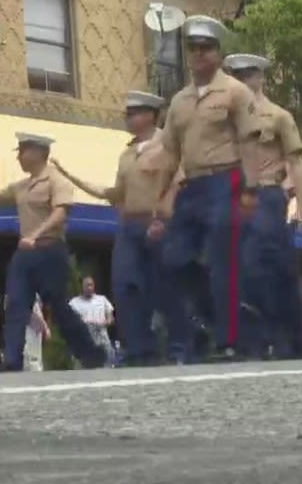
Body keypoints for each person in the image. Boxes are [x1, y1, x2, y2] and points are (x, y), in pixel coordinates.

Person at [147, 15, 262, 361]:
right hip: (192, 186)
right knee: (173, 260)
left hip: (225, 180)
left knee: (221, 262)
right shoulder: (179, 101)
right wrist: (158, 203)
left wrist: (250, 190)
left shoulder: (235, 92)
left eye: (205, 48)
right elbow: (169, 154)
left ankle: (229, 342)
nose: (198, 54)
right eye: (193, 48)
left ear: (218, 53)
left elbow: (249, 142)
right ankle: (227, 318)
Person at [52, 90, 188, 366]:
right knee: (125, 286)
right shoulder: (126, 154)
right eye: (127, 113)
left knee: (164, 287)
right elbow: (114, 193)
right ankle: (140, 350)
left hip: (159, 223)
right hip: (129, 226)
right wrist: (70, 176)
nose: (128, 118)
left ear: (151, 115)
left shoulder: (169, 144)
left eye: (133, 113)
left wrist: (163, 216)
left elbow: (179, 182)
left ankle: (179, 347)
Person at [223, 53, 302, 359]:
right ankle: (271, 340)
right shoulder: (224, 117)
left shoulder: (278, 116)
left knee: (256, 266)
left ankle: (279, 339)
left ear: (260, 78)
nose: (241, 80)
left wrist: (301, 208)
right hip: (233, 197)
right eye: (236, 75)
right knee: (264, 271)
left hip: (267, 195)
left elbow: (296, 163)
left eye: (248, 74)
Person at [0, 133, 107, 372]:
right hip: (25, 253)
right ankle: (12, 360)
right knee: (16, 303)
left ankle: (90, 353)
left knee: (58, 306)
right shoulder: (21, 186)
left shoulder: (57, 181)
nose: (18, 156)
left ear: (38, 153)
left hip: (50, 250)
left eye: (22, 150)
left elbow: (60, 213)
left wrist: (35, 235)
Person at [69, 276, 116, 364]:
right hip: (83, 338)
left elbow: (111, 317)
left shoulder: (102, 300)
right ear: (82, 287)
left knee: (107, 364)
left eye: (91, 285)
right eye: (87, 285)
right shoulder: (74, 303)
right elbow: (70, 321)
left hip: (101, 338)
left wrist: (105, 322)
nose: (89, 288)